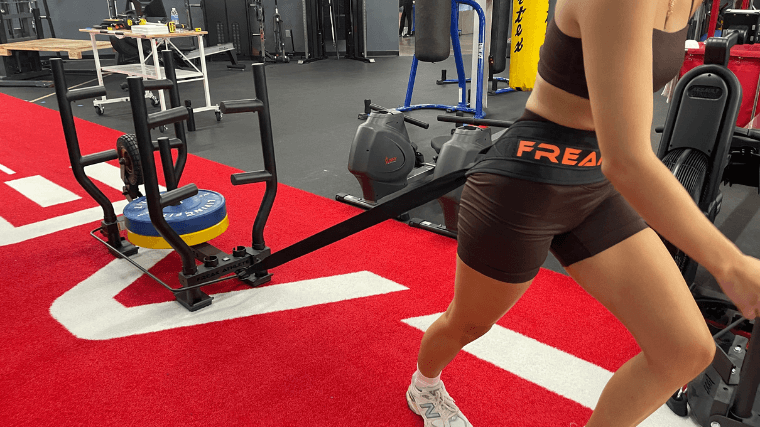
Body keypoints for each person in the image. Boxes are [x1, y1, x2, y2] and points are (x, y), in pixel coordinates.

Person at [405, 0, 760, 426]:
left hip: (595, 185)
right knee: (466, 324)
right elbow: (628, 159)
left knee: (684, 350)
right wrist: (731, 265)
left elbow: (625, 117)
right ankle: (424, 385)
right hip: (524, 185)